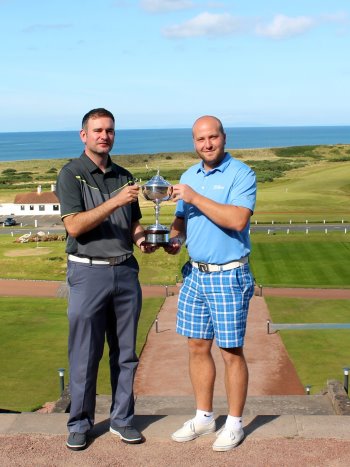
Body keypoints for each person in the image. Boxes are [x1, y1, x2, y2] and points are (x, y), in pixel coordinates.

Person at [56, 108, 156, 451]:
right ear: (83, 135)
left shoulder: (123, 175)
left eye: (109, 130)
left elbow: (133, 223)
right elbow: (75, 226)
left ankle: (123, 419)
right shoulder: (71, 174)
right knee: (85, 353)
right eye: (97, 130)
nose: (104, 135)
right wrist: (115, 202)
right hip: (87, 272)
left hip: (126, 271)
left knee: (125, 353)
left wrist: (143, 239)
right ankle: (80, 423)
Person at [165, 115, 257, 452]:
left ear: (223, 137)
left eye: (213, 137)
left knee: (231, 351)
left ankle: (234, 423)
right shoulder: (189, 175)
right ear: (194, 142)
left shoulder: (241, 173)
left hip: (229, 274)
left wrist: (194, 197)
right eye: (201, 139)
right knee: (196, 346)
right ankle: (204, 417)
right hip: (195, 273)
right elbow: (180, 219)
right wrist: (174, 239)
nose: (207, 144)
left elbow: (237, 219)